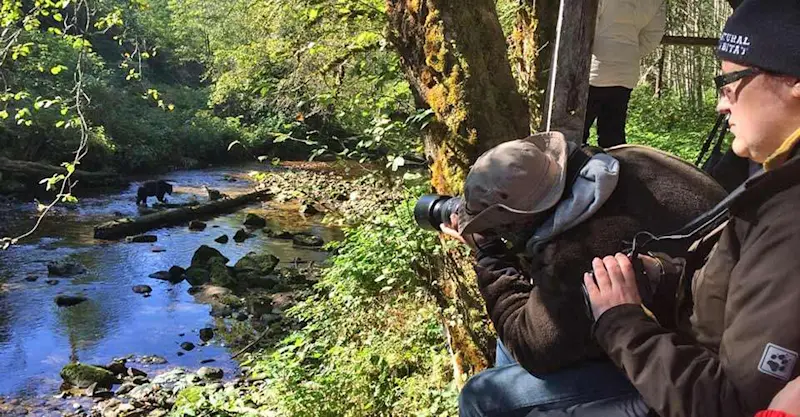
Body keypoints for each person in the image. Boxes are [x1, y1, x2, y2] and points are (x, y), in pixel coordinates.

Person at [584, 1, 800, 417]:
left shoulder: (791, 220)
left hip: (691, 385)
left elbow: (731, 402)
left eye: (729, 82)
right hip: (682, 355)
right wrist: (663, 274)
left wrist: (621, 321)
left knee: (490, 395)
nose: (720, 103)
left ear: (793, 80)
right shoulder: (774, 176)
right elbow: (731, 279)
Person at [440, 131, 726, 416]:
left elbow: (532, 348)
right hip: (707, 306)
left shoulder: (576, 256)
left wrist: (488, 254)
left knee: (481, 395)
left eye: (495, 224)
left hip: (687, 366)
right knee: (510, 336)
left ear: (520, 221)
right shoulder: (631, 160)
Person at [584, 0, 666, 147]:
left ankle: (569, 167)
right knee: (613, 136)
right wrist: (629, 52)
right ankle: (613, 168)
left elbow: (586, 22)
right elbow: (653, 36)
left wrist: (595, 51)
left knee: (576, 133)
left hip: (593, 70)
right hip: (625, 73)